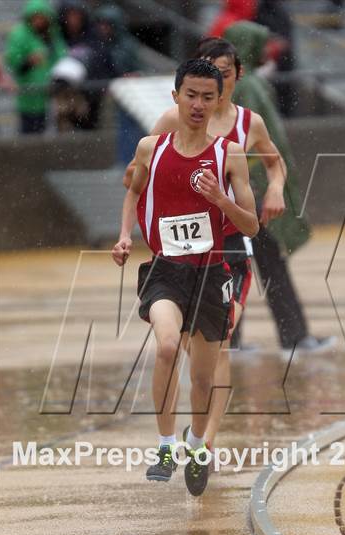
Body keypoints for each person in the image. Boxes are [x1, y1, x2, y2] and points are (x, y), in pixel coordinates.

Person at [112, 59, 259, 496]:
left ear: (218, 102)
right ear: (175, 96)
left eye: (207, 97)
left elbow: (250, 226)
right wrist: (124, 236)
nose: (198, 104)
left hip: (211, 273)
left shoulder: (229, 154)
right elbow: (134, 191)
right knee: (167, 346)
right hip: (164, 270)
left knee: (201, 378)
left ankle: (196, 444)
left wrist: (220, 198)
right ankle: (164, 444)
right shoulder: (149, 148)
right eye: (190, 95)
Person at [223, 22, 335, 359]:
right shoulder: (249, 87)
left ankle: (231, 340)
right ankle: (292, 337)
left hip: (243, 189)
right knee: (266, 263)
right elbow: (258, 143)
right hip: (252, 191)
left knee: (239, 265)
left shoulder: (239, 85)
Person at [4, 0, 66, 134]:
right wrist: (29, 60)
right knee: (29, 132)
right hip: (28, 96)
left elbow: (61, 55)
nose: (39, 21)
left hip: (50, 95)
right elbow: (13, 61)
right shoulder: (20, 34)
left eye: (41, 17)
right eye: (35, 17)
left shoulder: (52, 34)